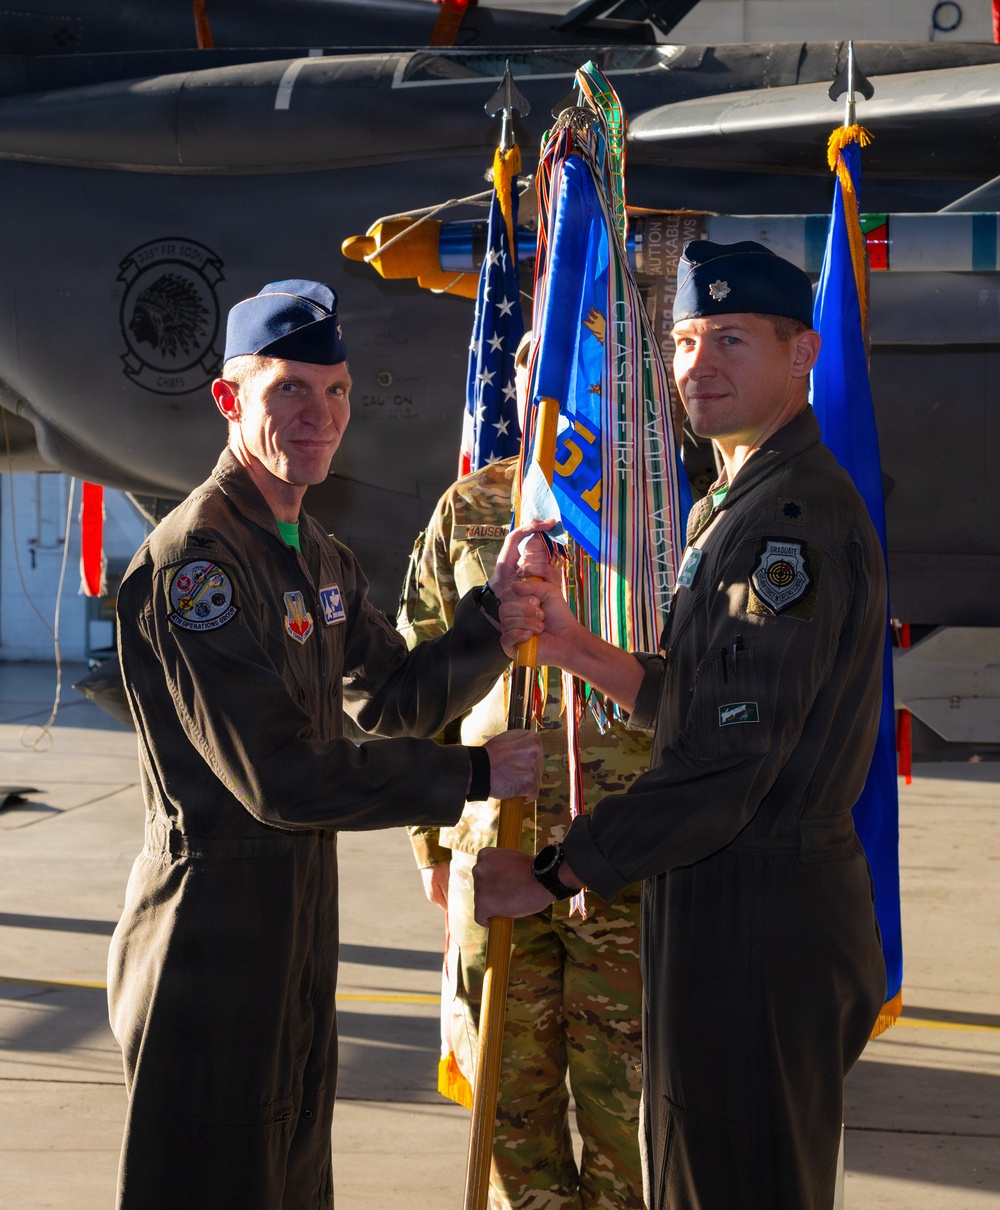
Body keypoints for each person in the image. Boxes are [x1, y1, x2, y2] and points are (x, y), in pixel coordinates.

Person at [108, 279, 544, 1210]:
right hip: (210, 937)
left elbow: (391, 699)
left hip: (293, 926)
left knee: (290, 1181)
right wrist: (471, 774)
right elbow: (282, 780)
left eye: (337, 390)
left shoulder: (314, 554)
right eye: (290, 391)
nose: (322, 415)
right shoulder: (200, 567)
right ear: (231, 400)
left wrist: (492, 627)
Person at [475, 241, 888, 1210]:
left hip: (763, 915)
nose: (698, 364)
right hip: (724, 901)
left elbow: (730, 758)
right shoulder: (734, 502)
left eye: (731, 339)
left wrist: (554, 873)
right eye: (686, 340)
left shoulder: (789, 519)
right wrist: (578, 647)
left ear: (802, 355)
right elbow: (713, 698)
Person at [397, 333, 648, 1210]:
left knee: (630, 1107)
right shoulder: (471, 504)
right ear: (515, 373)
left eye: (582, 354)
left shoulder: (660, 504)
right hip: (493, 851)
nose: (554, 379)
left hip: (629, 860)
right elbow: (416, 672)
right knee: (509, 1103)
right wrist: (430, 837)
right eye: (534, 356)